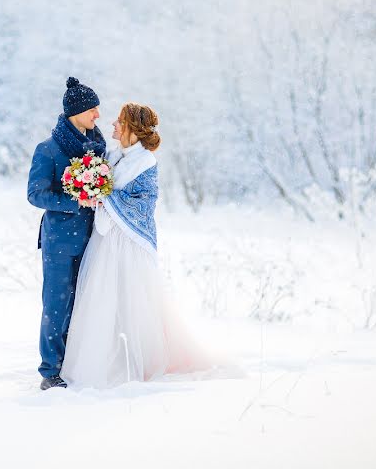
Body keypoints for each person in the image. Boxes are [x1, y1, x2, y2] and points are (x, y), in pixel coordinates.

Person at [61, 103, 242, 388]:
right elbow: (105, 188)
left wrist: (104, 197)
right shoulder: (113, 155)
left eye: (120, 121)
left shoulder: (145, 162)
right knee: (103, 299)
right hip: (106, 239)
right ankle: (104, 360)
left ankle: (140, 361)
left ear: (132, 128)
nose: (113, 125)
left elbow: (143, 204)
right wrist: (91, 190)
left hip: (129, 242)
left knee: (132, 301)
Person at [26, 77, 105, 390]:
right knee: (57, 304)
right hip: (59, 240)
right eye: (93, 110)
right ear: (78, 112)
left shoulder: (98, 148)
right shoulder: (47, 149)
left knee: (85, 303)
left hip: (93, 238)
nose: (98, 115)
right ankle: (50, 371)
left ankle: (76, 362)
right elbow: (35, 194)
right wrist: (75, 200)